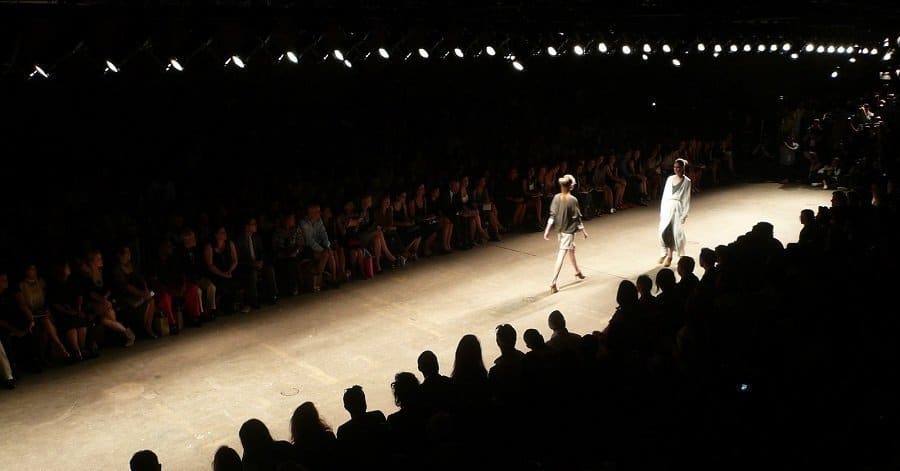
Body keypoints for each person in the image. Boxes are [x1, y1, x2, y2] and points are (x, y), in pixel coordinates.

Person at [543, 174, 588, 294]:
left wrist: (547, 230)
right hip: (568, 232)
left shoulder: (556, 197)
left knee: (572, 248)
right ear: (571, 186)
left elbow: (552, 216)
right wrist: (583, 231)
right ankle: (553, 283)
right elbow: (577, 218)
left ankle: (577, 271)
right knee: (562, 254)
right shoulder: (573, 200)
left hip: (561, 230)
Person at [658, 158, 692, 267]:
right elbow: (665, 195)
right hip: (667, 207)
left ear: (683, 168)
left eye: (678, 167)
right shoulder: (670, 179)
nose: (676, 169)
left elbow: (686, 198)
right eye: (675, 167)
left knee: (675, 233)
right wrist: (662, 210)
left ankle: (670, 256)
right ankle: (664, 253)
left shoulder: (687, 181)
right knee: (664, 231)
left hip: (677, 208)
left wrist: (684, 214)